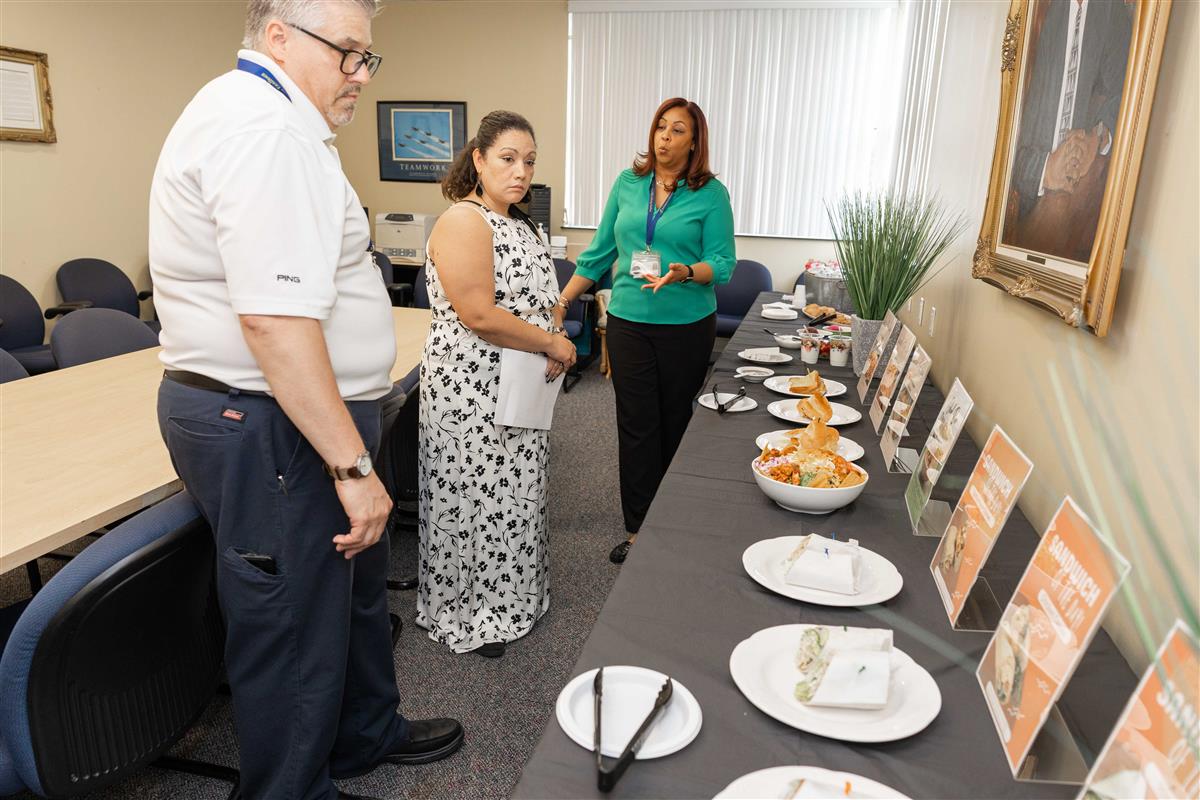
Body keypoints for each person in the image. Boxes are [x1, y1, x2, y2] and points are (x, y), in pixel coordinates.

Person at [149, 2, 462, 798]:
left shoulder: (283, 121)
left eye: (368, 56)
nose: (361, 73)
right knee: (292, 626)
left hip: (299, 415)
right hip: (273, 419)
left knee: (347, 596)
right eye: (348, 53)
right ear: (279, 36)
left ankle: (362, 734)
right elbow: (274, 323)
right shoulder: (268, 131)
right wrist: (352, 463)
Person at [416, 111, 575, 657]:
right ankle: (471, 608)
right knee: (475, 497)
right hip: (471, 385)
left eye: (529, 161)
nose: (521, 171)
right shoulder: (465, 221)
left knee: (516, 492)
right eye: (507, 158)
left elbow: (536, 298)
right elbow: (479, 314)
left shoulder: (523, 224)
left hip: (518, 379)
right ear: (478, 160)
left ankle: (513, 597)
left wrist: (553, 328)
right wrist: (550, 342)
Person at [557, 97, 735, 564]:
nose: (665, 136)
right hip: (629, 322)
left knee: (675, 424)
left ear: (695, 141)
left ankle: (672, 523)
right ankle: (637, 530)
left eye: (678, 130)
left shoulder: (710, 194)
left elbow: (724, 263)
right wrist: (562, 300)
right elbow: (597, 253)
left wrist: (687, 272)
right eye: (660, 126)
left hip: (686, 325)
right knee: (636, 427)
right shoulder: (627, 183)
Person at [1007, 0, 1132, 262]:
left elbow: (1125, 91)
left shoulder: (1113, 11)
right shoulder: (1035, 9)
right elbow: (1003, 136)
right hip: (1031, 189)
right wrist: (1046, 169)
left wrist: (1098, 138)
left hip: (1088, 180)